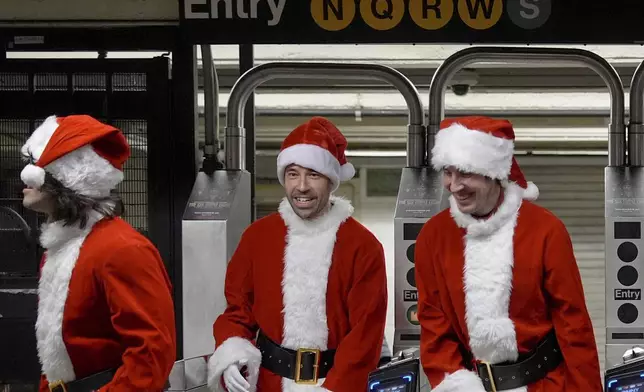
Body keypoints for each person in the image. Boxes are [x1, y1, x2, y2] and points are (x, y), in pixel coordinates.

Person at [415, 116, 603, 391]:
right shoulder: (433, 236)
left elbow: (573, 325)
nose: (454, 186)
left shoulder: (546, 230)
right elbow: (434, 326)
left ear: (495, 173)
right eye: (447, 172)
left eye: (465, 173)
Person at [207, 116, 388, 392]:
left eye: (313, 174)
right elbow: (237, 312)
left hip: (335, 385)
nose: (301, 186)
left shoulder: (363, 247)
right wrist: (232, 354)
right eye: (293, 174)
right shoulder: (257, 237)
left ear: (331, 180)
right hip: (267, 385)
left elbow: (365, 336)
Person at [20, 115, 176, 392]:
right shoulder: (60, 249)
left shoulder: (123, 249)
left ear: (66, 180)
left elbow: (150, 355)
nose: (25, 175)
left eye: (37, 165)